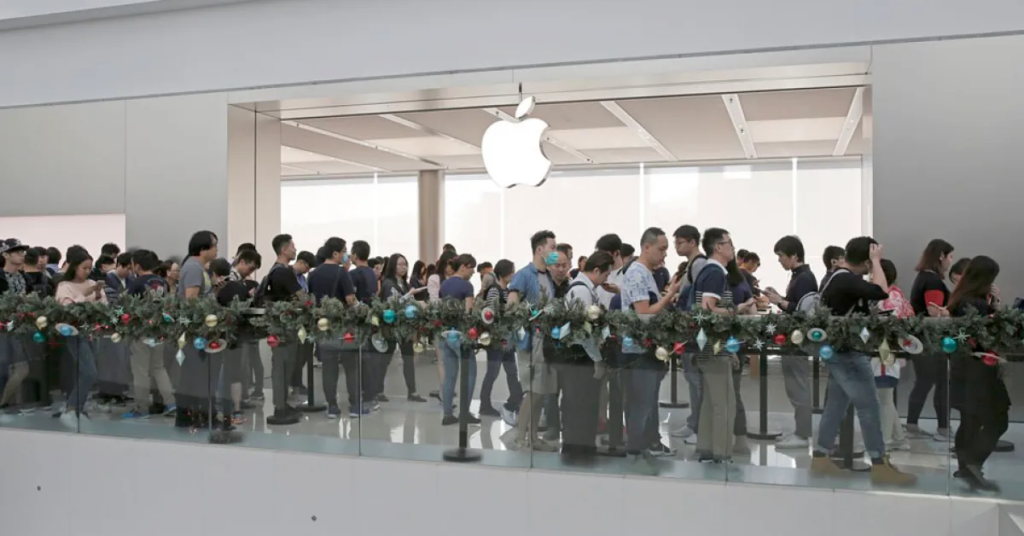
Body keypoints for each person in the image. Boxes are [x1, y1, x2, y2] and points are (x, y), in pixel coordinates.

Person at [814, 237, 915, 485]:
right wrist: (877, 261)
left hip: (840, 349)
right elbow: (882, 291)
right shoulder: (846, 279)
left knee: (836, 405)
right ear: (865, 262)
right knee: (869, 407)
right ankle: (879, 463)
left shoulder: (837, 278)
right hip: (849, 351)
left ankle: (820, 457)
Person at [946, 256, 1006, 491]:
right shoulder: (976, 303)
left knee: (969, 419)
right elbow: (988, 332)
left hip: (964, 364)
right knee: (998, 418)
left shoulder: (961, 297)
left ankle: (966, 466)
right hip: (979, 366)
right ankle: (973, 462)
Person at [621, 228, 682, 458]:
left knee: (648, 399)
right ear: (646, 247)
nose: (665, 254)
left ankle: (649, 443)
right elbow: (644, 313)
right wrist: (669, 296)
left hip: (647, 347)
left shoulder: (646, 272)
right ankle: (636, 449)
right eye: (662, 249)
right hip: (638, 349)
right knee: (641, 402)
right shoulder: (637, 273)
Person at [762, 235, 819, 449]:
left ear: (794, 256)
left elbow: (804, 312)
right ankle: (799, 430)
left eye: (781, 256)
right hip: (793, 339)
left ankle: (802, 434)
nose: (779, 261)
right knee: (795, 386)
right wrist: (780, 298)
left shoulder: (804, 278)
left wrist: (780, 301)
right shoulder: (799, 276)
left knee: (798, 387)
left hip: (798, 340)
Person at [507, 230, 559, 451]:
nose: (555, 253)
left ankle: (533, 437)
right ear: (540, 249)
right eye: (552, 248)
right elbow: (511, 305)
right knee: (532, 389)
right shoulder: (523, 275)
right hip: (530, 340)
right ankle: (520, 436)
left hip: (546, 339)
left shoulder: (548, 276)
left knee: (541, 391)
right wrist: (530, 317)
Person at [307, 237, 370, 419]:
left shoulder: (314, 273)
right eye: (344, 252)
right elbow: (350, 299)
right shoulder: (341, 273)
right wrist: (362, 309)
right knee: (351, 367)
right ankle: (355, 407)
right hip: (344, 327)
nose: (346, 255)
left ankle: (332, 407)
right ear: (335, 254)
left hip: (323, 327)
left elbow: (311, 300)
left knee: (329, 368)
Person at [559, 251, 614, 458]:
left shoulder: (584, 288)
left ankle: (581, 447)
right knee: (580, 405)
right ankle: (578, 450)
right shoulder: (582, 291)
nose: (606, 279)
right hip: (580, 356)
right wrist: (598, 358)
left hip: (581, 356)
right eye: (605, 275)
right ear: (597, 270)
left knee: (581, 404)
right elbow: (584, 332)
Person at [906, 239, 955, 441]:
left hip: (922, 339)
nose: (951, 261)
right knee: (940, 382)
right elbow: (934, 313)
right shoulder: (933, 281)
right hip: (930, 340)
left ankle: (912, 424)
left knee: (925, 382)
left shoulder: (923, 277)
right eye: (950, 256)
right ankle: (943, 428)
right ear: (941, 256)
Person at [53, 250, 108, 423]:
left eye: (90, 268)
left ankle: (78, 408)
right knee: (89, 372)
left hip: (92, 330)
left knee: (88, 371)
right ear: (74, 267)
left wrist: (98, 294)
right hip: (74, 332)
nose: (87, 272)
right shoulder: (65, 286)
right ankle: (71, 407)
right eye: (84, 268)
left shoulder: (92, 283)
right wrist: (86, 293)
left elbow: (104, 306)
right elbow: (67, 308)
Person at [122, 249, 177, 419]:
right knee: (158, 368)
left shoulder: (136, 283)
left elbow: (126, 305)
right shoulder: (162, 282)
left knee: (141, 372)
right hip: (159, 330)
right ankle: (171, 403)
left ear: (137, 266)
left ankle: (141, 408)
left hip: (140, 331)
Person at [175, 231, 220, 428]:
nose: (217, 249)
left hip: (201, 330)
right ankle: (196, 416)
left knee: (198, 375)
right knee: (196, 375)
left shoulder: (199, 268)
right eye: (214, 245)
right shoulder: (193, 268)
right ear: (203, 249)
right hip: (196, 332)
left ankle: (197, 415)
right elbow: (191, 301)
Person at [261, 233, 303, 425]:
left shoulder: (275, 271)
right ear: (284, 249)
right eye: (293, 246)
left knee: (285, 365)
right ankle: (280, 407)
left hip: (282, 325)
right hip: (284, 326)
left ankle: (283, 404)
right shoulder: (283, 272)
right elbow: (302, 297)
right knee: (282, 366)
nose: (295, 249)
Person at [670, 224, 706, 441]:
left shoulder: (699, 264)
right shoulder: (690, 265)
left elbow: (700, 299)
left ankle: (700, 426)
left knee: (697, 381)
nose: (676, 247)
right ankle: (694, 422)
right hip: (687, 330)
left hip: (694, 331)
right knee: (692, 379)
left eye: (680, 242)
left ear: (693, 242)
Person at [873, 259, 912, 451]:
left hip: (885, 352)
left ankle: (885, 440)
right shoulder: (896, 293)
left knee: (885, 398)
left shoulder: (889, 296)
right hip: (887, 351)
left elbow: (891, 327)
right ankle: (899, 438)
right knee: (885, 397)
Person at [478, 259, 522, 424]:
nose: (513, 274)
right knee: (493, 373)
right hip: (497, 340)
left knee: (512, 373)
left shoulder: (508, 290)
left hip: (507, 338)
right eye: (511, 271)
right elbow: (490, 314)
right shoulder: (495, 291)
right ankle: (485, 404)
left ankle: (515, 401)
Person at [438, 254, 480, 426]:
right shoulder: (466, 286)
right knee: (470, 373)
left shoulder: (445, 284)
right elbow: (468, 313)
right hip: (460, 335)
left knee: (450, 376)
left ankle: (447, 414)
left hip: (444, 333)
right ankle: (464, 412)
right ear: (464, 266)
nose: (473, 273)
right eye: (472, 269)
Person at [379, 253, 426, 402]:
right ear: (393, 266)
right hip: (392, 326)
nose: (403, 267)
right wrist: (408, 295)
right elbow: (391, 304)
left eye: (405, 264)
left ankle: (412, 391)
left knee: (408, 358)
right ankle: (378, 390)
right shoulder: (388, 283)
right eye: (400, 264)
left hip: (405, 326)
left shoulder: (404, 284)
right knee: (385, 358)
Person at [726, 258, 758, 456]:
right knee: (734, 391)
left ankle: (727, 438)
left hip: (721, 342)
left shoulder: (716, 278)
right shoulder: (742, 279)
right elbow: (753, 312)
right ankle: (740, 439)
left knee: (722, 393)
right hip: (738, 342)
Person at [0, 239, 31, 413]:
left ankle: (5, 403)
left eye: (22, 252)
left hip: (19, 328)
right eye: (17, 252)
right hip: (4, 328)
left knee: (21, 368)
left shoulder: (24, 277)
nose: (22, 255)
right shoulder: (1, 277)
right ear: (5, 254)